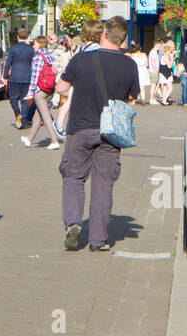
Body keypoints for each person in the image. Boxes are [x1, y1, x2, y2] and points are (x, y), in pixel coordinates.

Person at [55, 16, 139, 252]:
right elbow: (132, 97)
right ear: (122, 39)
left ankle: (73, 223)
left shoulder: (82, 59)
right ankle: (98, 240)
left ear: (103, 33)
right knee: (103, 185)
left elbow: (61, 87)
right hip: (110, 131)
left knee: (73, 177)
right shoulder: (129, 64)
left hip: (81, 127)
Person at [57, 20, 103, 134]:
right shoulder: (103, 51)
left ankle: (59, 123)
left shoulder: (80, 50)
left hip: (80, 120)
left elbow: (60, 88)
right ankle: (59, 123)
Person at [23, 35, 62, 149]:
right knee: (38, 116)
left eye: (34, 43)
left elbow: (35, 77)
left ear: (39, 44)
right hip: (50, 88)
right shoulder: (49, 54)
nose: (33, 46)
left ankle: (54, 141)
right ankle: (29, 139)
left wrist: (30, 93)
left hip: (40, 90)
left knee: (45, 116)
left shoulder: (38, 57)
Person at [3, 27, 36, 129]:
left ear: (17, 37)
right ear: (26, 37)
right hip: (27, 77)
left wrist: (5, 76)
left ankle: (17, 113)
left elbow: (8, 62)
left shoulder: (13, 48)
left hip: (15, 77)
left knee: (13, 98)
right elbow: (33, 63)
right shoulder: (31, 49)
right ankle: (22, 119)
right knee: (24, 99)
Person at [156, 41, 175, 105]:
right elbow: (170, 66)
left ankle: (164, 99)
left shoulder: (164, 56)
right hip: (166, 74)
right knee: (170, 88)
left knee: (165, 88)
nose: (171, 52)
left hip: (164, 73)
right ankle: (164, 100)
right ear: (168, 51)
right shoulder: (165, 57)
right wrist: (172, 59)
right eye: (170, 51)